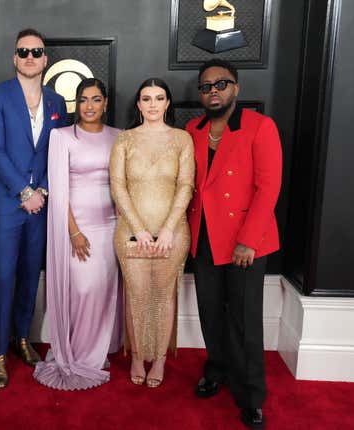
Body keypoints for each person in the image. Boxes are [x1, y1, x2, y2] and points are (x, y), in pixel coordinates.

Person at [186, 59, 282, 429]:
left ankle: (251, 396)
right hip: (205, 237)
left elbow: (268, 187)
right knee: (211, 312)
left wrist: (247, 240)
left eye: (221, 84)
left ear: (236, 89)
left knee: (244, 321)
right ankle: (217, 369)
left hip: (246, 242)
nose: (213, 91)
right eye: (206, 86)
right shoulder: (193, 129)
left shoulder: (260, 127)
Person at [0, 28, 67, 389]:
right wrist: (23, 190)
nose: (30, 57)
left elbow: (59, 150)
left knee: (32, 274)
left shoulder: (56, 102)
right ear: (15, 58)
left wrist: (42, 189)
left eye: (37, 51)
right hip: (8, 202)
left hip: (41, 203)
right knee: (4, 276)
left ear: (45, 58)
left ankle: (22, 339)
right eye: (23, 51)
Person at [34, 78, 123, 390]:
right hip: (78, 227)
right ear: (77, 103)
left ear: (105, 103)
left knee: (104, 291)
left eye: (96, 99)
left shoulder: (119, 137)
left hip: (112, 226)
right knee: (82, 290)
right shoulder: (61, 137)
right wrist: (73, 232)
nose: (89, 106)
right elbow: (58, 190)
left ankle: (97, 352)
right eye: (83, 99)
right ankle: (79, 354)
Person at [110, 78, 195, 388]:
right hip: (132, 232)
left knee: (163, 294)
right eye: (147, 98)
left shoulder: (182, 139)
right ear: (138, 104)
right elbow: (118, 186)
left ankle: (158, 358)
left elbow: (186, 186)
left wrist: (169, 228)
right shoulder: (124, 140)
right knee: (136, 295)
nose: (153, 104)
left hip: (173, 233)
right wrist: (140, 229)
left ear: (167, 103)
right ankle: (135, 356)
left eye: (159, 98)